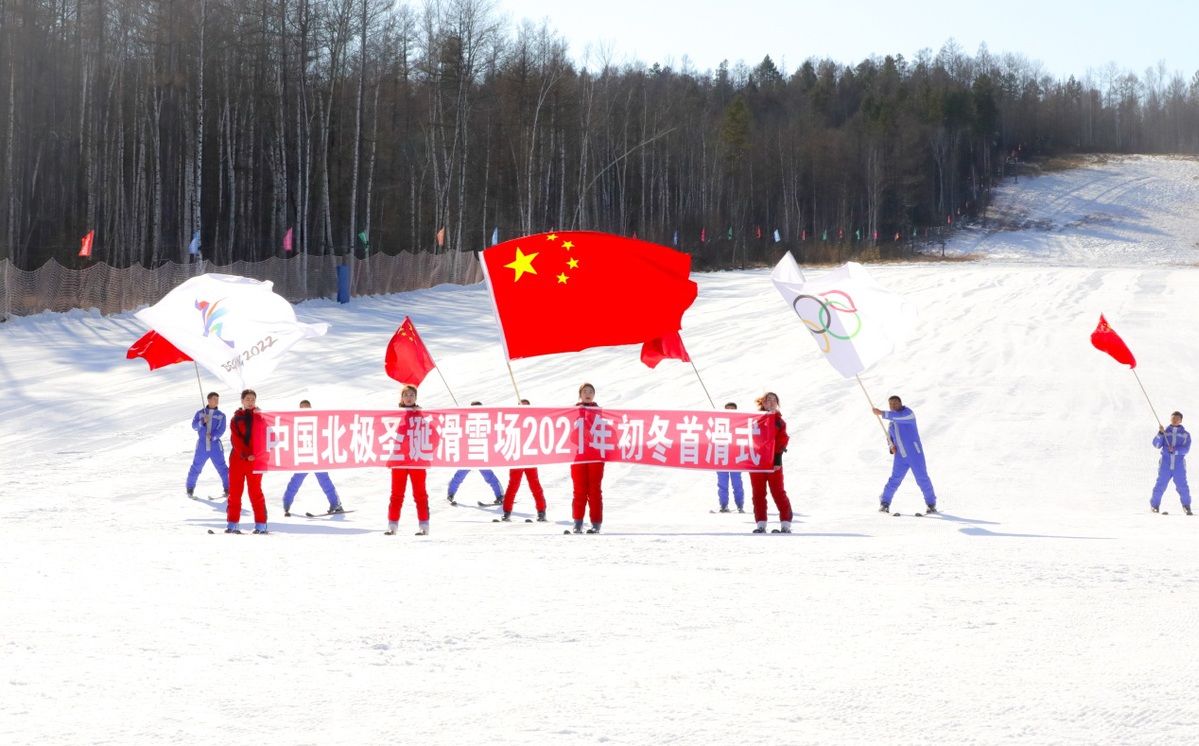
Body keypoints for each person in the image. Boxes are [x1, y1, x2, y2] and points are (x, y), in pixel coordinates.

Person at [872, 395, 938, 514]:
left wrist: (881, 413)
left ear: (900, 403)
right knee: (894, 479)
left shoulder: (908, 414)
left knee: (922, 478)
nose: (893, 406)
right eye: (891, 404)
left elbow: (898, 416)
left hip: (914, 453)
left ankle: (931, 504)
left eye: (895, 403)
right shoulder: (892, 423)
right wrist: (891, 447)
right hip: (900, 457)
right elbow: (890, 438)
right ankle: (884, 503)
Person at [282, 399, 345, 517]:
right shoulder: (295, 421)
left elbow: (325, 434)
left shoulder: (317, 420)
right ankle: (286, 504)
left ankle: (336, 504)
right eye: (302, 408)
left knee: (324, 480)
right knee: (296, 480)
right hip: (304, 456)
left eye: (307, 407)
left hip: (316, 457)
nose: (304, 410)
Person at [387, 385, 430, 536]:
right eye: (406, 395)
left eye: (412, 395)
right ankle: (392, 525)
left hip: (417, 461)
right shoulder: (395, 416)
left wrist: (427, 453)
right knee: (396, 494)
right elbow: (387, 435)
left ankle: (424, 525)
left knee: (420, 494)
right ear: (402, 398)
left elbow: (433, 434)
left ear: (416, 397)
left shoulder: (422, 415)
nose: (409, 398)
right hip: (399, 461)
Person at [749, 392, 793, 533]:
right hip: (756, 462)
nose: (771, 402)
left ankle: (785, 523)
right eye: (768, 400)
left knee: (778, 492)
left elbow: (782, 440)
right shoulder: (754, 419)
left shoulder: (779, 421)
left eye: (774, 400)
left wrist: (777, 459)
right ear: (763, 403)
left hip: (773, 462)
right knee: (758, 493)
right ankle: (761, 524)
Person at [446, 401, 504, 506]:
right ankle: (450, 494)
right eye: (474, 409)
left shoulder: (486, 421)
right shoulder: (466, 421)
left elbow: (492, 435)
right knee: (460, 475)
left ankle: (500, 495)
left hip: (480, 452)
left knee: (489, 475)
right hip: (469, 454)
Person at [227, 389, 269, 534]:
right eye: (248, 399)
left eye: (252, 399)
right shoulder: (235, 418)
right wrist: (246, 454)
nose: (250, 401)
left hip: (256, 461)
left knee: (255, 492)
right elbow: (235, 440)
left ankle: (261, 525)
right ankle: (232, 524)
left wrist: (256, 454)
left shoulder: (262, 418)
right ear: (242, 401)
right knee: (235, 492)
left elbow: (269, 436)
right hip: (238, 459)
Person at [499, 399, 548, 522]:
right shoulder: (513, 421)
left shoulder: (533, 421)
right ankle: (507, 512)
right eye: (521, 406)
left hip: (530, 458)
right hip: (517, 458)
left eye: (526, 407)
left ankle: (541, 511)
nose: (523, 409)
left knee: (535, 484)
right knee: (513, 485)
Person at [570, 383, 605, 534]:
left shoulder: (600, 412)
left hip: (596, 457)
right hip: (579, 457)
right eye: (585, 391)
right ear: (580, 394)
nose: (588, 393)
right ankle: (577, 523)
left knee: (594, 490)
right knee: (579, 491)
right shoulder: (573, 412)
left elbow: (607, 433)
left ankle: (596, 524)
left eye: (591, 391)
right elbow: (571, 437)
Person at [186, 392, 229, 499]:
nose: (217, 401)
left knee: (222, 467)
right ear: (209, 400)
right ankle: (190, 488)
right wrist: (202, 421)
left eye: (218, 399)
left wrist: (213, 436)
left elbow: (222, 430)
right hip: (202, 446)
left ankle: (228, 488)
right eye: (214, 399)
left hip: (215, 446)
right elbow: (194, 426)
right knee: (196, 466)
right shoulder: (200, 413)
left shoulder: (221, 415)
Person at [1151, 411, 1191, 515]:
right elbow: (1156, 445)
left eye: (1177, 418)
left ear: (1181, 420)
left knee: (1182, 486)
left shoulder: (1185, 435)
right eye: (1173, 418)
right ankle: (1155, 506)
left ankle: (1186, 506)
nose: (1174, 420)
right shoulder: (1165, 432)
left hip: (1179, 465)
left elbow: (1186, 449)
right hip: (1165, 464)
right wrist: (1160, 433)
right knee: (1160, 485)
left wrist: (1175, 450)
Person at [716, 401, 745, 513]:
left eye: (732, 410)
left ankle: (740, 505)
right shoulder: (719, 424)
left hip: (735, 458)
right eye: (727, 409)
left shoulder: (740, 423)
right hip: (722, 456)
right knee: (722, 483)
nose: (729, 412)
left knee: (737, 482)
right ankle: (723, 505)